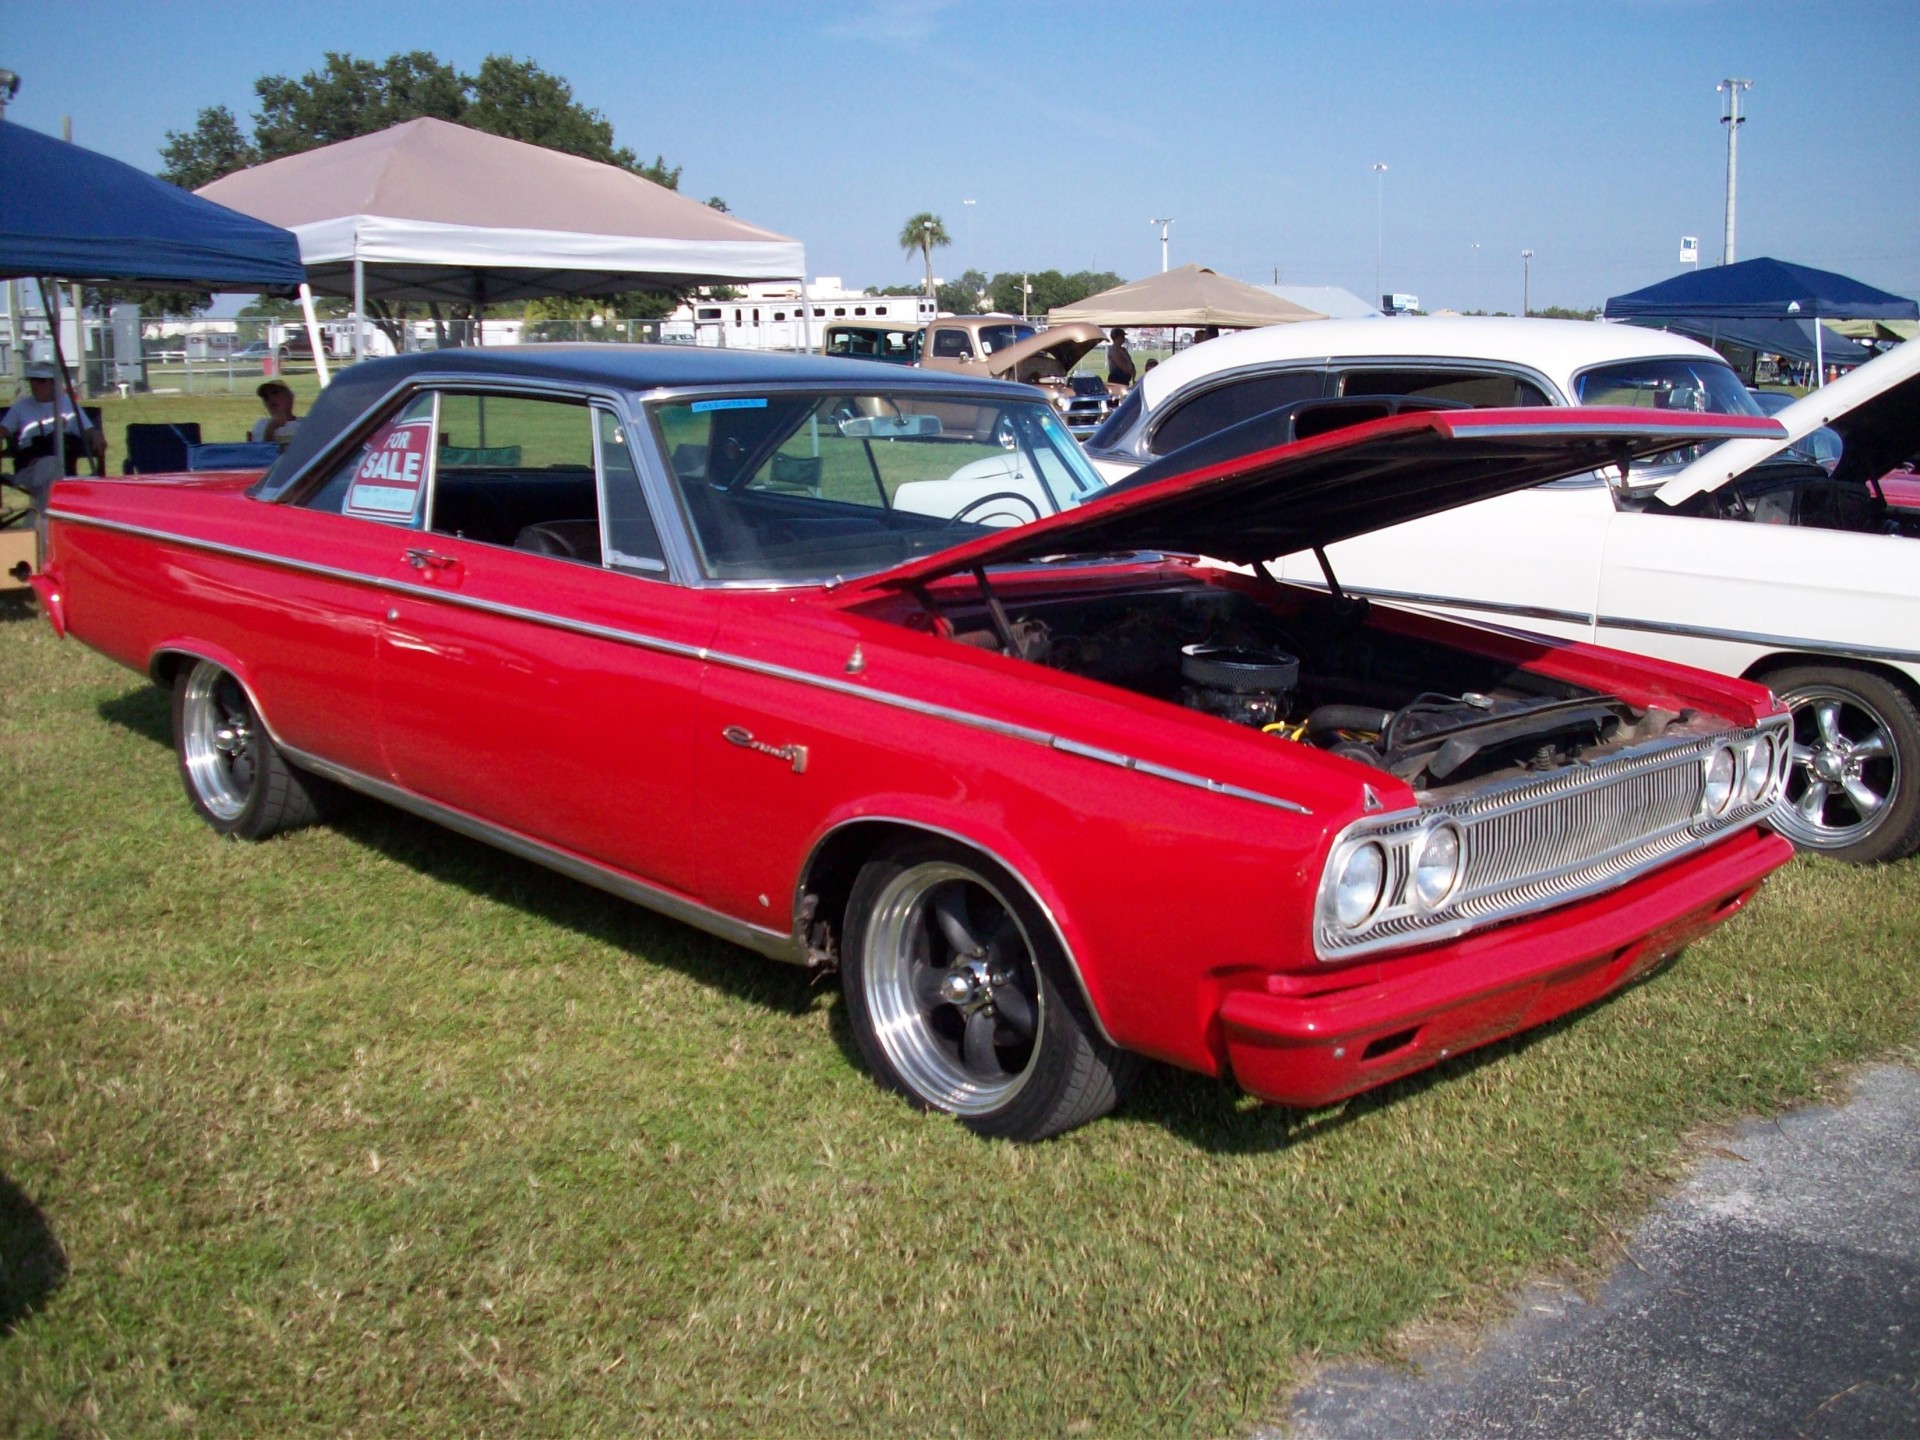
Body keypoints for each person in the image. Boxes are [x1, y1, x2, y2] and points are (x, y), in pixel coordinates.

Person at [2, 361, 105, 506]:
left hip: (61, 465)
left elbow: (88, 430)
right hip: (30, 467)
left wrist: (96, 433)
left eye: (41, 381)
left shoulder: (68, 405)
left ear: (53, 383)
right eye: (32, 380)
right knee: (51, 471)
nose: (35, 385)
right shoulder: (21, 406)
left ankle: (42, 519)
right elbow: (3, 429)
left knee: (52, 468)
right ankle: (49, 519)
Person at [250, 380, 302, 444]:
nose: (269, 398)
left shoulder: (306, 423)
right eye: (265, 396)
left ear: (290, 396)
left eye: (275, 393)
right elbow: (261, 451)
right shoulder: (263, 424)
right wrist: (271, 428)